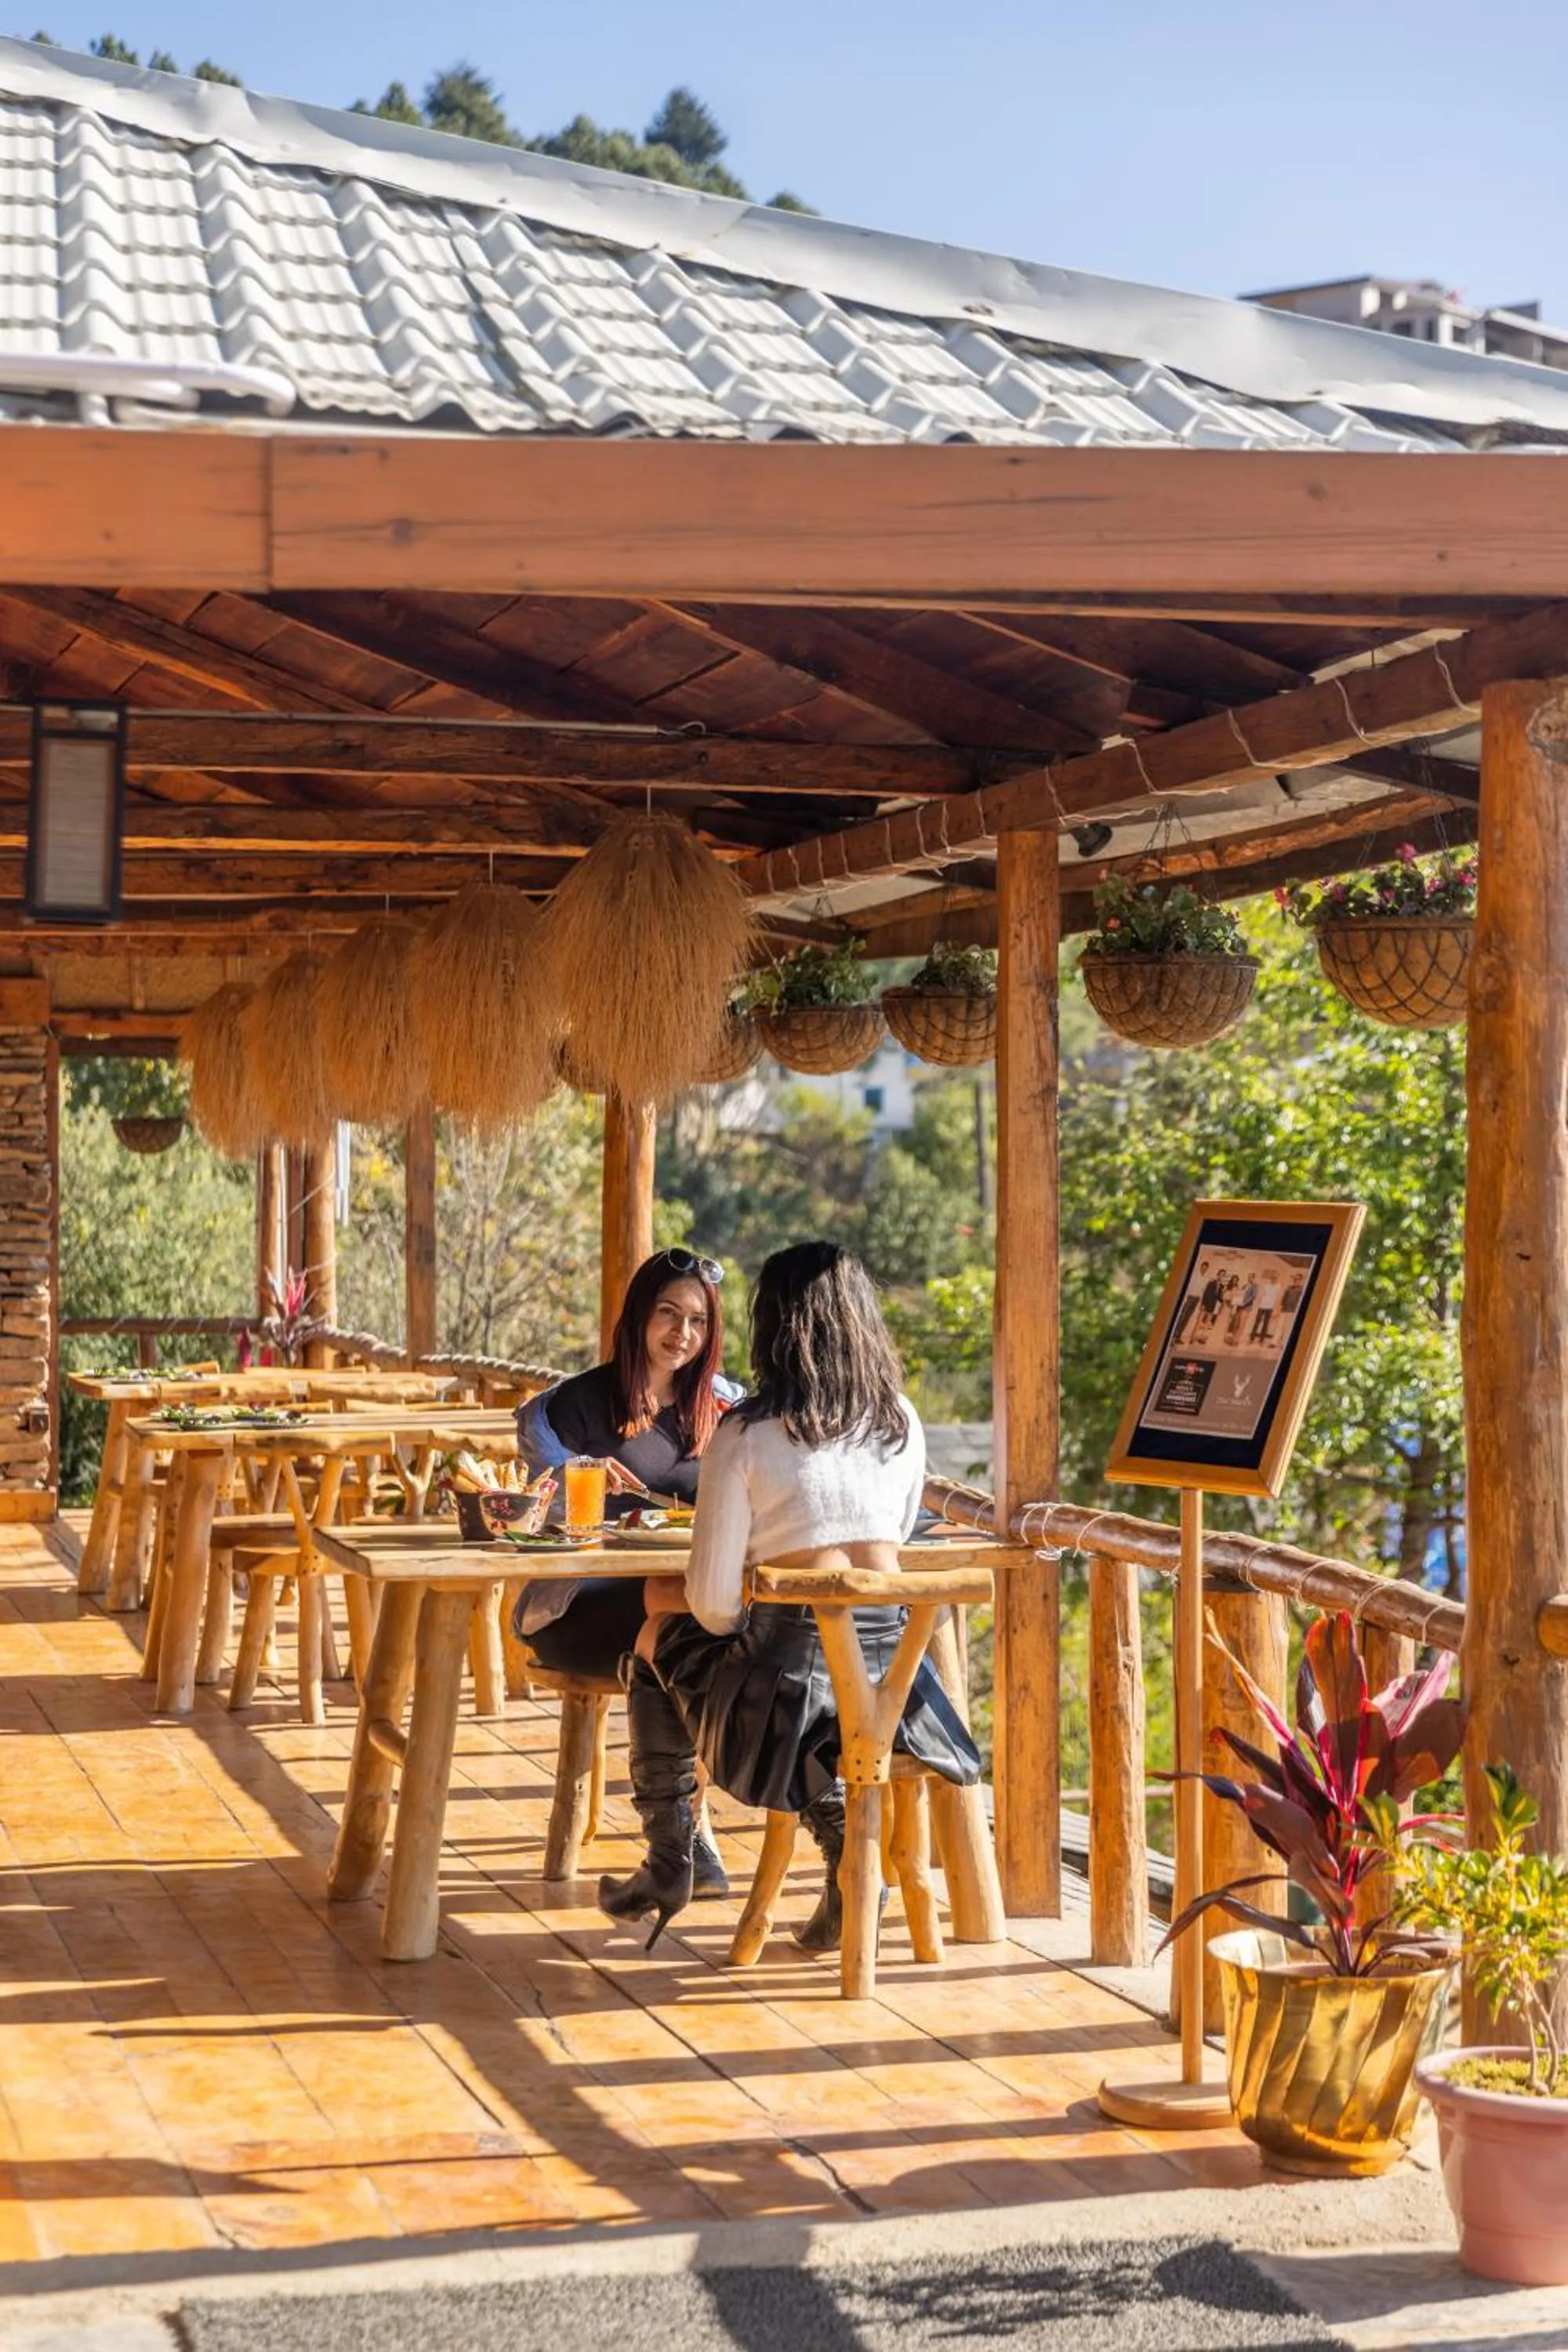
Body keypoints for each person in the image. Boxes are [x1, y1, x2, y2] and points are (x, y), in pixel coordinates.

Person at [597, 1241, 980, 1952]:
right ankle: (836, 1852)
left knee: (655, 1628)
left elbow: (713, 1608)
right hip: (898, 1689)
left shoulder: (744, 1433)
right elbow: (891, 1538)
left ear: (772, 1326)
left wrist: (758, 1584)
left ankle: (674, 1859)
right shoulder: (900, 1419)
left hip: (789, 1698)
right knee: (685, 1617)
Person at [514, 1247, 743, 1892]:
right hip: (577, 1607)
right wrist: (570, 1479)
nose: (682, 1334)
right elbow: (529, 1510)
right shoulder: (569, 1409)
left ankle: (676, 1847)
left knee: (702, 1623)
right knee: (687, 1613)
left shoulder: (724, 1409)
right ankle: (689, 1839)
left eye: (698, 1322)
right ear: (638, 1315)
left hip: (687, 1608)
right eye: (668, 1314)